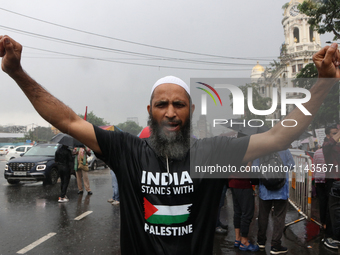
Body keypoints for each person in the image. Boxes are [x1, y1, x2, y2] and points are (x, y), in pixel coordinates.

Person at [1, 35, 339, 255]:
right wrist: (17, 72)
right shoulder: (127, 150)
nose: (171, 112)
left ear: (191, 110)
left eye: (179, 104)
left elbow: (279, 136)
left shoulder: (212, 153)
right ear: (150, 111)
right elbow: (69, 121)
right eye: (162, 104)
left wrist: (322, 84)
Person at [253, 149, 295, 254]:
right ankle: (275, 245)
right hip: (281, 190)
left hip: (265, 191)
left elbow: (254, 169)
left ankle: (261, 241)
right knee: (279, 217)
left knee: (263, 215)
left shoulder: (261, 149)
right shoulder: (284, 149)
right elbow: (291, 165)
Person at [229, 162, 259, 251]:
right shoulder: (245, 150)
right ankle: (244, 242)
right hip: (243, 183)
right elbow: (248, 168)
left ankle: (237, 239)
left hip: (232, 181)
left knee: (237, 212)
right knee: (247, 213)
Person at [322, 125, 340, 249]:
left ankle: (336, 237)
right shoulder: (327, 145)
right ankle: (330, 235)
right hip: (332, 181)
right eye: (334, 133)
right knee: (332, 210)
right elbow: (328, 146)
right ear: (328, 135)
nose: (337, 135)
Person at [313, 146, 327, 230]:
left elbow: (314, 166)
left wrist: (315, 179)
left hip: (318, 179)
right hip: (329, 179)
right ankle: (328, 222)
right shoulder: (331, 152)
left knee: (322, 202)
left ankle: (323, 222)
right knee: (330, 202)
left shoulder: (316, 152)